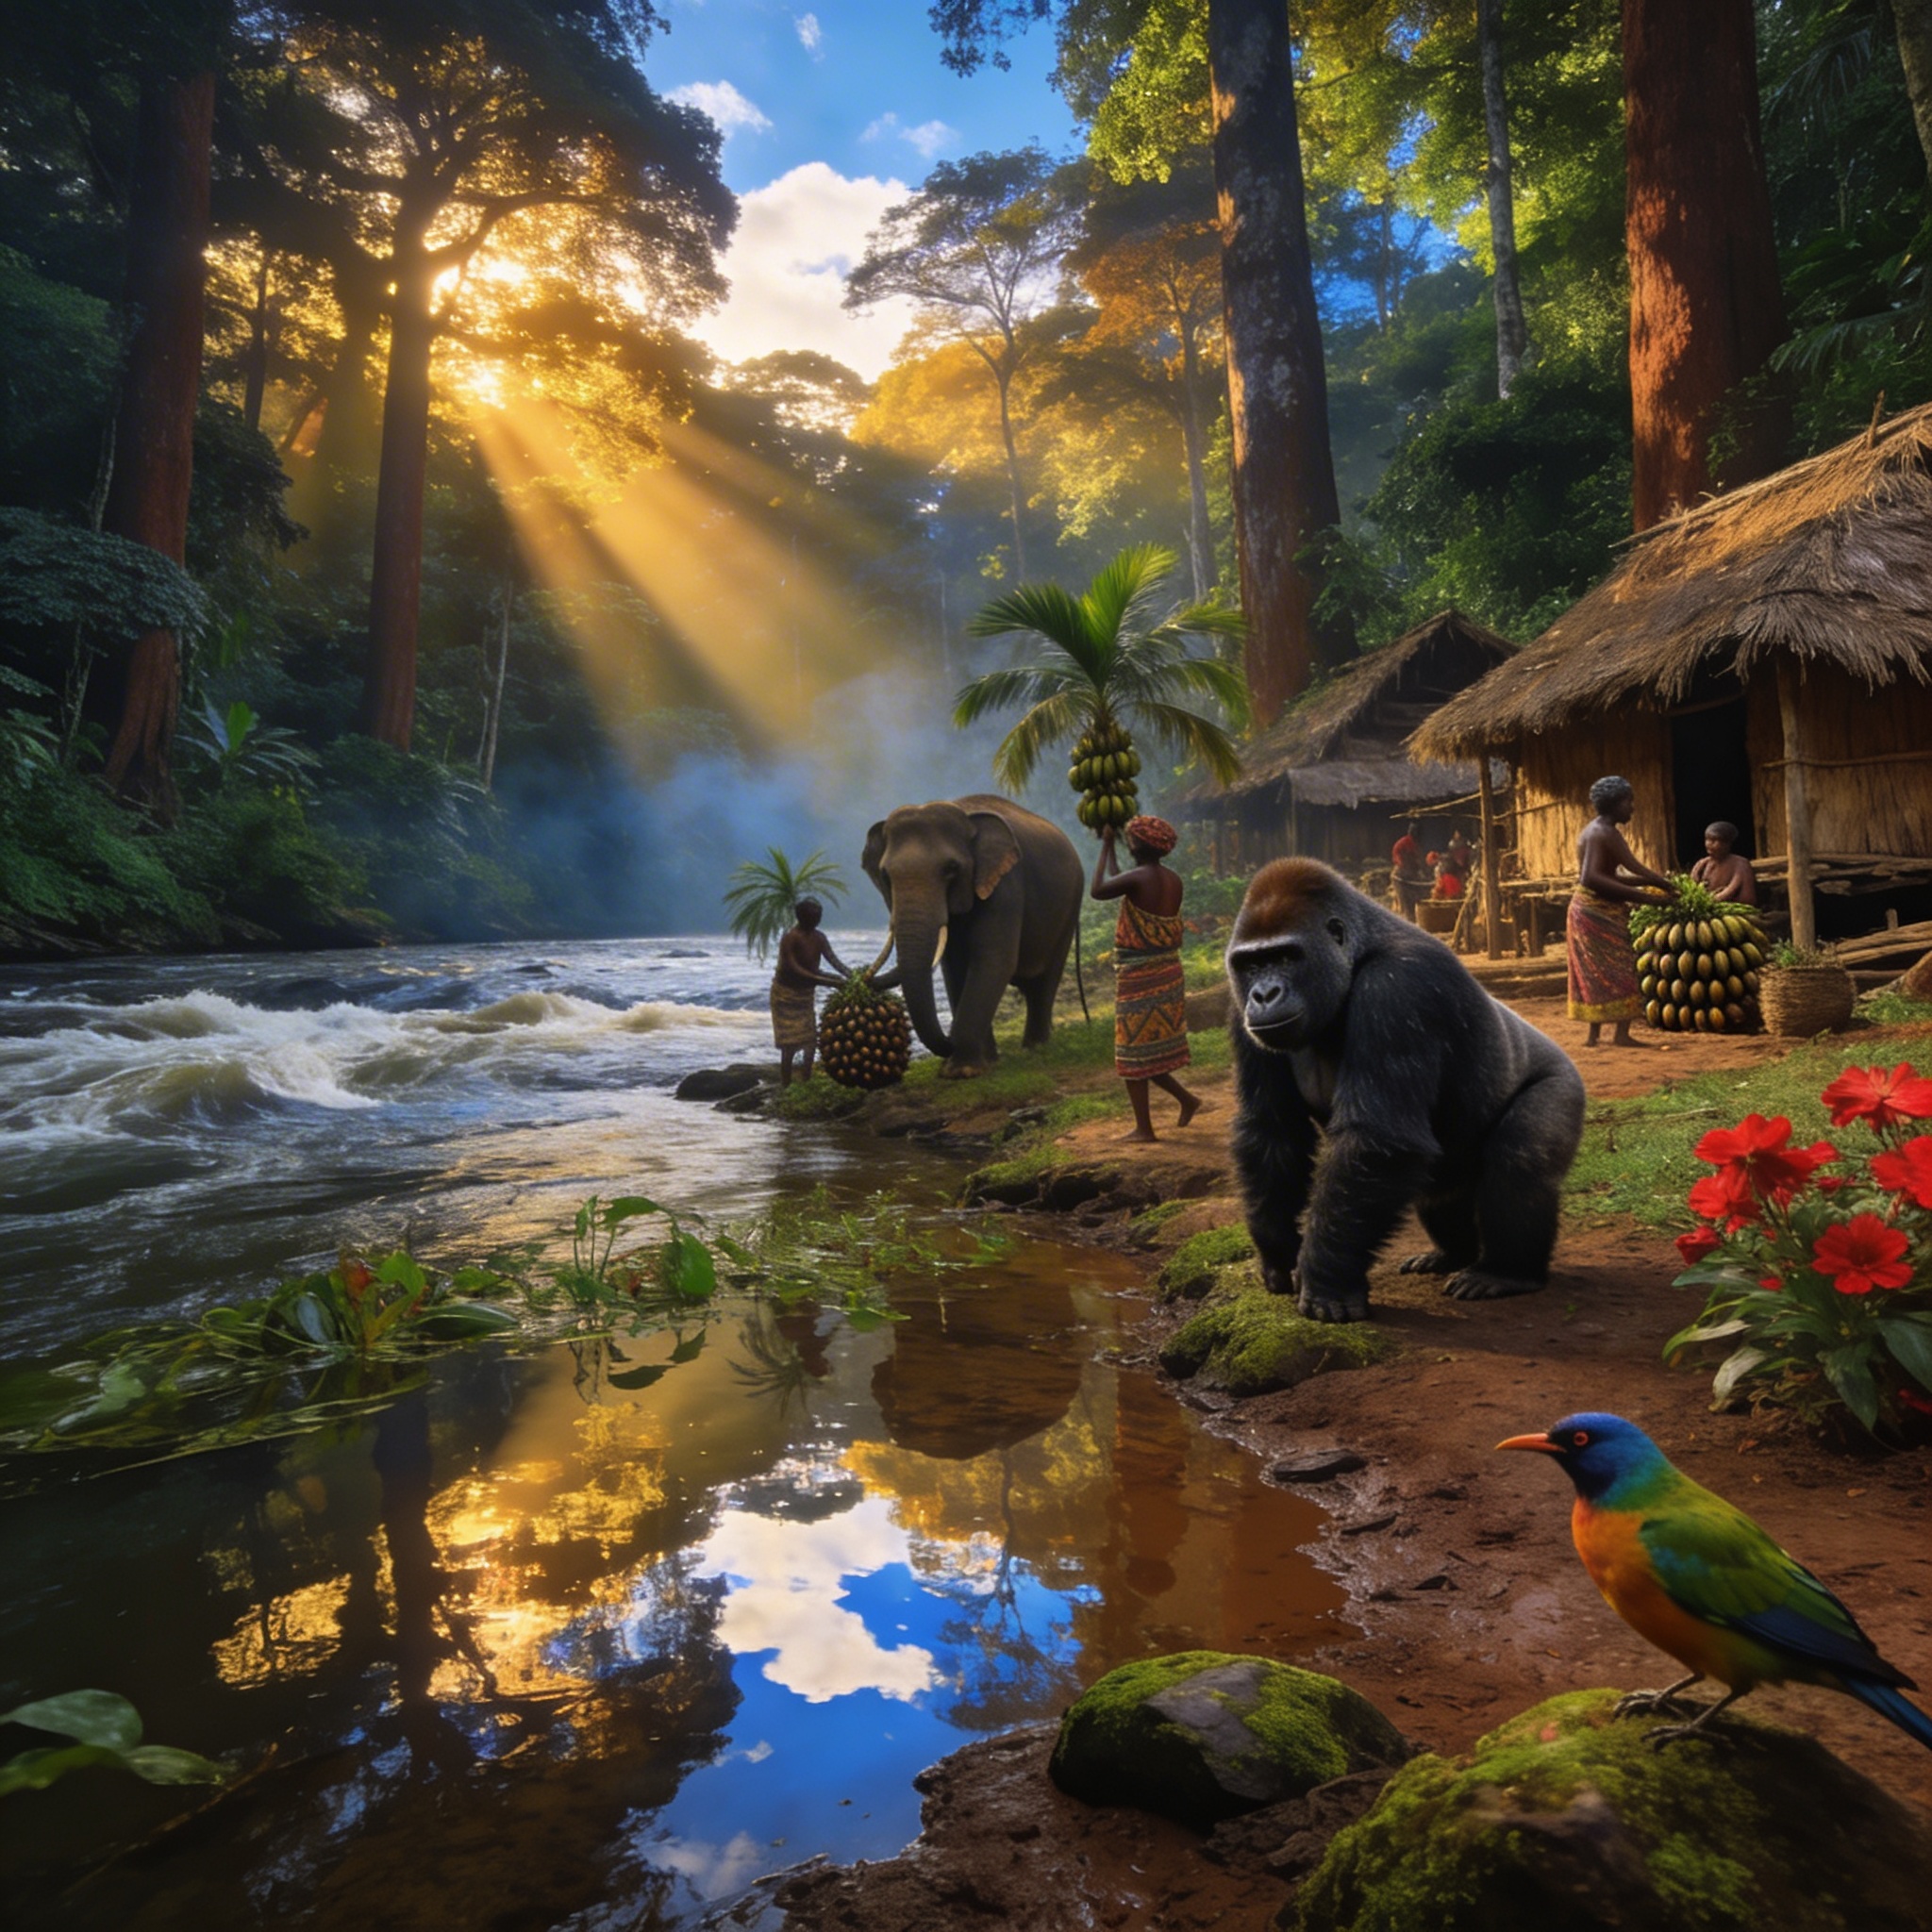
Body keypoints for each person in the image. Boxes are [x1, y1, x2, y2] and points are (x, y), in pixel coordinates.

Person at [1091, 814, 1203, 1142]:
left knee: (1132, 1052)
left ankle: (1144, 1129)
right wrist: (1110, 847)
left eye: (1129, 840)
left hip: (1141, 974)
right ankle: (1187, 1099)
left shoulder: (1139, 878)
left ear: (1137, 844)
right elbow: (1121, 880)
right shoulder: (1172, 879)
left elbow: (1099, 889)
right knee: (1148, 1052)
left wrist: (1106, 847)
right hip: (1168, 971)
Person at [1570, 775, 1673, 1047]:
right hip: (1595, 910)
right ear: (1615, 803)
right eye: (1629, 802)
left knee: (1596, 969)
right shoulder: (1604, 832)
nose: (1632, 808)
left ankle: (1596, 1036)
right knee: (1620, 966)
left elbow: (1622, 872)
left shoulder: (1597, 830)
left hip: (1588, 908)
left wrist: (1658, 883)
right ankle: (1621, 1035)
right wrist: (1648, 897)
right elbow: (1591, 878)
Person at [770, 897, 851, 1086]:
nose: (817, 920)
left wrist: (849, 974)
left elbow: (833, 960)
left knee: (810, 1041)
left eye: (818, 917)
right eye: (813, 917)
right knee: (789, 1045)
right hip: (786, 995)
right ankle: (786, 1083)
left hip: (805, 995)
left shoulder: (819, 937)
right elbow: (794, 968)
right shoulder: (790, 937)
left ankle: (806, 1078)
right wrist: (823, 980)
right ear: (802, 917)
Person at [1690, 821, 1758, 905]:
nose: (1709, 844)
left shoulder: (1740, 864)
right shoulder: (1704, 864)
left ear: (1727, 843)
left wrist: (1711, 899)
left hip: (1731, 907)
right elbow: (1693, 886)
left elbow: (1732, 890)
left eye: (1714, 840)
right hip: (1709, 905)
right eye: (1707, 839)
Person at [1391, 819, 1430, 921]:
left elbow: (1416, 860)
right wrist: (1418, 868)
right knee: (1405, 902)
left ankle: (1411, 918)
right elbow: (1408, 859)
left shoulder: (1411, 842)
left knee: (1413, 900)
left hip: (1408, 874)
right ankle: (1408, 920)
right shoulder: (1407, 842)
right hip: (1402, 876)